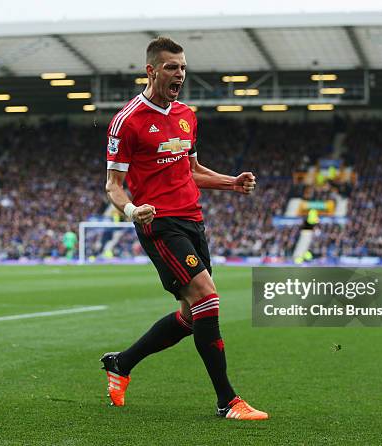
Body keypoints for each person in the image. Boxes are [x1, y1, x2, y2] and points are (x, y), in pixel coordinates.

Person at [102, 37, 268, 420]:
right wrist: (131, 210)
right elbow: (113, 184)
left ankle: (121, 364)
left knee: (193, 316)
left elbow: (191, 170)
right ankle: (228, 400)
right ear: (151, 71)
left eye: (183, 68)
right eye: (172, 68)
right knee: (208, 298)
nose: (180, 75)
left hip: (193, 220)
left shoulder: (186, 115)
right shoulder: (127, 122)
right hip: (159, 223)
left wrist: (232, 182)